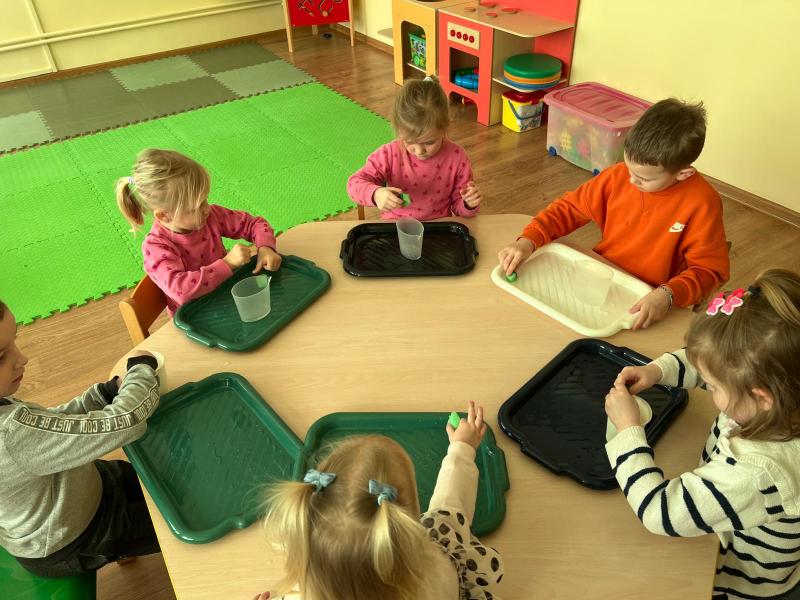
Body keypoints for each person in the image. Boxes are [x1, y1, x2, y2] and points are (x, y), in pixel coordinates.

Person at [605, 269, 800, 599]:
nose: (708, 388)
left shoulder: (759, 473)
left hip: (739, 575)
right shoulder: (780, 395)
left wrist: (627, 431)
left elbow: (659, 512)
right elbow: (711, 362)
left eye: (713, 387)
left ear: (762, 397)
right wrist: (657, 371)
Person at [498, 98, 729, 329]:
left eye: (644, 178)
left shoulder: (702, 203)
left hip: (650, 297)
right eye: (629, 167)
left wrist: (668, 294)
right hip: (604, 277)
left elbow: (708, 271)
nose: (632, 180)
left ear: (683, 174)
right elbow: (568, 209)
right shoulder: (618, 176)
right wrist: (528, 240)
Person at [256, 400, 503, 600]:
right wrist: (462, 448)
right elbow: (450, 505)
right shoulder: (434, 575)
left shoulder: (302, 592)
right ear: (403, 521)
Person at [0, 298, 163, 577]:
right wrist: (141, 370)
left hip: (80, 488)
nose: (22, 359)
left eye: (14, 340)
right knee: (176, 524)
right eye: (1, 356)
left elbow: (50, 424)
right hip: (75, 536)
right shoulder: (10, 435)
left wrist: (104, 393)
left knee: (161, 479)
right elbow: (127, 422)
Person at [116, 148, 281, 315]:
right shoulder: (156, 247)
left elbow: (254, 224)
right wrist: (228, 264)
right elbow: (182, 291)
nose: (206, 209)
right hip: (196, 316)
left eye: (205, 200)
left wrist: (265, 247)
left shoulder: (210, 216)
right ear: (163, 216)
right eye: (196, 207)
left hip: (227, 296)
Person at [347, 76, 482, 220]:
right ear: (399, 130)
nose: (419, 151)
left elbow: (459, 209)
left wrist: (468, 204)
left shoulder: (457, 158)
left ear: (445, 127)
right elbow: (354, 184)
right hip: (396, 225)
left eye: (429, 142)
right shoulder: (389, 153)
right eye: (410, 141)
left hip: (438, 226)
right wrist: (376, 194)